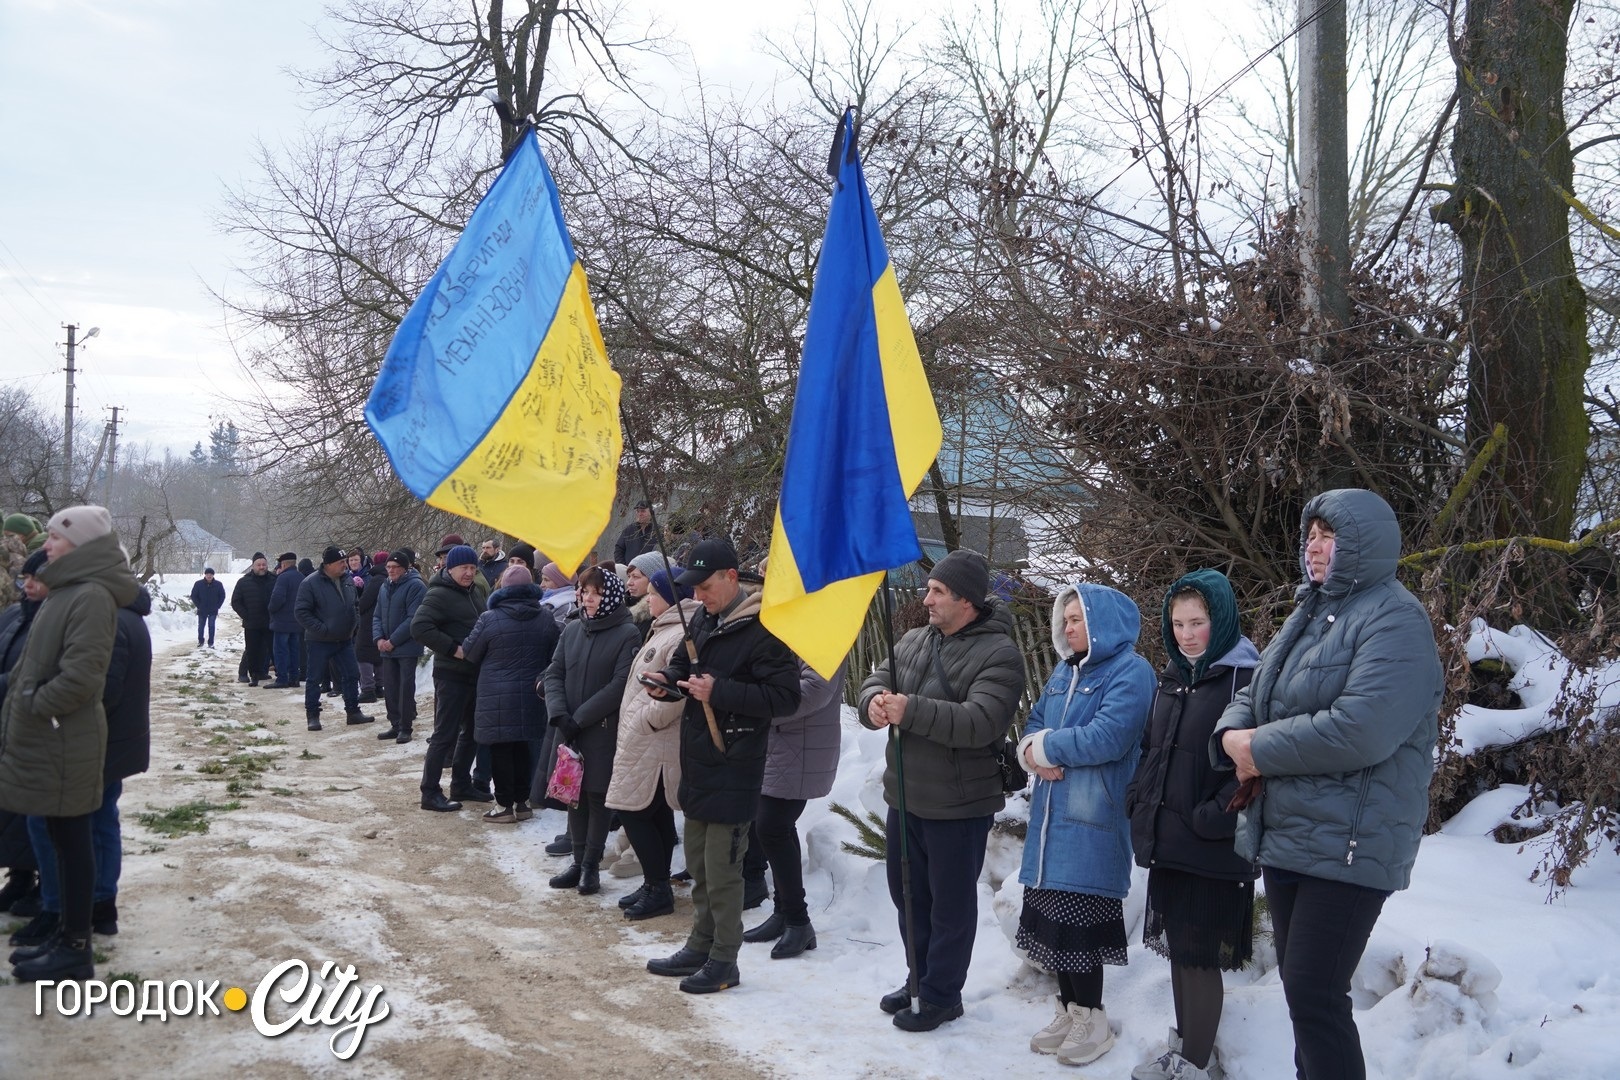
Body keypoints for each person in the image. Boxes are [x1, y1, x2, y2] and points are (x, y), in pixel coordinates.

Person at [1212, 489, 1443, 1080]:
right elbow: (1256, 691)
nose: (1314, 548)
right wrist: (1232, 735)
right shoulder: (1311, 612)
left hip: (1351, 841)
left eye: (1329, 536)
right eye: (1311, 535)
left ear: (1363, 544)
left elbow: (1361, 729)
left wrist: (1257, 750)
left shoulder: (1396, 619)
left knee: (1316, 995)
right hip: (1295, 832)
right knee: (1304, 995)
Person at [859, 548, 1026, 1032]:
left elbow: (980, 722)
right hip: (906, 796)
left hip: (958, 804)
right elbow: (876, 679)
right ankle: (919, 979)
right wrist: (873, 704)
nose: (926, 599)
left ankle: (941, 995)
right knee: (908, 897)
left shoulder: (1000, 654)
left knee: (949, 907)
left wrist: (909, 710)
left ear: (966, 601)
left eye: (938, 591)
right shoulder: (914, 639)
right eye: (929, 588)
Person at [642, 538, 801, 995]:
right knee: (698, 863)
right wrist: (665, 682)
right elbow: (682, 665)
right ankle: (700, 945)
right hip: (698, 760)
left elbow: (785, 698)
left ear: (732, 577)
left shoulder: (766, 628)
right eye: (693, 588)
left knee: (723, 869)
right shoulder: (703, 619)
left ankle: (724, 960)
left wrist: (720, 691)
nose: (698, 595)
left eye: (706, 586)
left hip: (735, 762)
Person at [1124, 570, 1261, 1080]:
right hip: (1170, 837)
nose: (1186, 634)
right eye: (1178, 623)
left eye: (1197, 622)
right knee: (1181, 952)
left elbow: (1256, 766)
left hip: (1211, 844)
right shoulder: (1173, 677)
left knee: (1200, 957)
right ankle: (1184, 1048)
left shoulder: (1246, 680)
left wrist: (1211, 817)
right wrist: (1139, 796)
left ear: (1219, 620)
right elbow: (1151, 748)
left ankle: (1196, 1064)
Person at [1014, 582, 1155, 1065]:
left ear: (1101, 623)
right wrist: (1031, 749)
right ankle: (1070, 1009)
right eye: (1066, 619)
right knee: (1054, 928)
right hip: (1051, 825)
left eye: (1077, 619)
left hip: (1094, 822)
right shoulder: (1064, 670)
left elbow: (1109, 736)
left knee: (1079, 930)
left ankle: (1093, 1020)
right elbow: (1035, 720)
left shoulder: (1132, 672)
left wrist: (1047, 748)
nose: (1068, 627)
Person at [0, 506, 138, 983]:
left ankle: (76, 948)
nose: (47, 546)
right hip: (51, 736)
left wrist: (31, 701)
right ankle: (65, 935)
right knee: (60, 840)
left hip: (65, 738)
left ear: (79, 543)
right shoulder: (68, 590)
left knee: (73, 842)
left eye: (56, 538)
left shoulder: (92, 596)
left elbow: (82, 678)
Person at [23, 580, 153, 944]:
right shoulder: (125, 613)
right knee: (100, 821)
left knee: (54, 823)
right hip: (114, 741)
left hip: (96, 742)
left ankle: (65, 908)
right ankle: (99, 906)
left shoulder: (109, 618)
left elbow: (101, 691)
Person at [606, 566, 699, 921]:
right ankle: (654, 882)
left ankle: (658, 887)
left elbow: (679, 689)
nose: (648, 599)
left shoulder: (679, 633)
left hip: (656, 739)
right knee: (653, 810)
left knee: (635, 810)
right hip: (645, 739)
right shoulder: (665, 628)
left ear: (670, 598)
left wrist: (646, 718)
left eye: (654, 594)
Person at [542, 565, 641, 894]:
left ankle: (590, 866)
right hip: (568, 728)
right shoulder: (572, 629)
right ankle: (576, 861)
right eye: (585, 592)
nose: (589, 598)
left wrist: (580, 717)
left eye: (597, 593)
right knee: (573, 796)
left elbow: (619, 685)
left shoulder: (627, 633)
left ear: (610, 595)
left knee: (597, 797)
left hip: (600, 728)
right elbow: (554, 672)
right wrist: (559, 713)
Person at [740, 655, 844, 959]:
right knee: (777, 827)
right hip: (782, 744)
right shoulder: (792, 635)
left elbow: (815, 690)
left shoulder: (822, 636)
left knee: (771, 827)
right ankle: (784, 912)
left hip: (802, 744)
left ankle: (798, 921)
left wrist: (759, 706)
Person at [463, 565, 559, 822]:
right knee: (523, 747)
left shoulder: (489, 618)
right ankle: (522, 803)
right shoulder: (546, 617)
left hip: (496, 696)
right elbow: (555, 656)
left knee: (501, 749)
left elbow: (470, 652)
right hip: (531, 694)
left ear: (503, 588)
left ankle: (503, 805)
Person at [412, 544, 489, 811]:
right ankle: (430, 792)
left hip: (474, 674)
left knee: (472, 733)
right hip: (451, 676)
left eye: (472, 568)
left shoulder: (474, 591)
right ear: (450, 568)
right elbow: (419, 627)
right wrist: (453, 649)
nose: (468, 573)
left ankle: (461, 784)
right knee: (445, 735)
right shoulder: (439, 594)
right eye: (463, 568)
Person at [0, 550, 48, 918]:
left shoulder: (57, 620)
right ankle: (19, 877)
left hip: (41, 728)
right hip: (10, 726)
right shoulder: (14, 615)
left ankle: (48, 886)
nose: (27, 585)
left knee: (40, 813)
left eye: (35, 579)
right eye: (24, 578)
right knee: (11, 809)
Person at [294, 546, 373, 731]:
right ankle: (313, 715)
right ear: (328, 564)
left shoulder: (348, 580)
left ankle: (353, 711)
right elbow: (301, 612)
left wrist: (354, 624)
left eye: (345, 561)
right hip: (319, 641)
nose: (345, 565)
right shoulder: (310, 583)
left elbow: (355, 604)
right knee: (314, 679)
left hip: (344, 639)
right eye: (341, 562)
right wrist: (322, 630)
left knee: (352, 675)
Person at [373, 550, 426, 743]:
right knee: (390, 687)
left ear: (405, 568)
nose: (391, 570)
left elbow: (413, 618)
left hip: (406, 647)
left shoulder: (416, 586)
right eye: (388, 567)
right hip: (387, 647)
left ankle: (405, 727)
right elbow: (377, 615)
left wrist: (392, 641)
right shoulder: (384, 586)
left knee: (405, 688)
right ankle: (395, 724)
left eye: (395, 567)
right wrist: (379, 638)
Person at [231, 553, 274, 685]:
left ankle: (263, 672)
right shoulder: (243, 582)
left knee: (269, 649)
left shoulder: (274, 580)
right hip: (252, 624)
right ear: (253, 566)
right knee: (252, 650)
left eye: (264, 565)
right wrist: (246, 615)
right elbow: (236, 601)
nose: (261, 567)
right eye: (258, 565)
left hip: (270, 623)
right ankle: (252, 675)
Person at [266, 552, 304, 689]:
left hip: (281, 622)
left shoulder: (283, 578)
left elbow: (277, 599)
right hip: (297, 621)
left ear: (283, 564)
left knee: (281, 651)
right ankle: (294, 678)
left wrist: (270, 609)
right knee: (294, 650)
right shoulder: (301, 577)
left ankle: (282, 678)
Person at [354, 553, 388, 704]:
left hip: (369, 621)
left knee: (363, 653)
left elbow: (364, 602)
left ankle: (368, 688)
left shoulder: (376, 580)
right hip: (384, 621)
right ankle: (380, 686)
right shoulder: (389, 578)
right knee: (378, 653)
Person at [614, 500, 659, 564]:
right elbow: (619, 549)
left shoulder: (658, 531)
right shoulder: (629, 530)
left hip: (651, 569)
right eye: (638, 511)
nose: (640, 514)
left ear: (651, 512)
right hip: (630, 569)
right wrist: (623, 566)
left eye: (643, 511)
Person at [190, 567, 225, 647]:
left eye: (211, 574)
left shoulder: (218, 584)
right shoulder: (198, 584)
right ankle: (200, 641)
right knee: (201, 626)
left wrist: (218, 606)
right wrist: (199, 605)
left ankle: (211, 643)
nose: (209, 576)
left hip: (213, 610)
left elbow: (222, 596)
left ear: (213, 575)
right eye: (207, 574)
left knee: (211, 626)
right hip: (202, 609)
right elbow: (194, 595)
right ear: (205, 575)